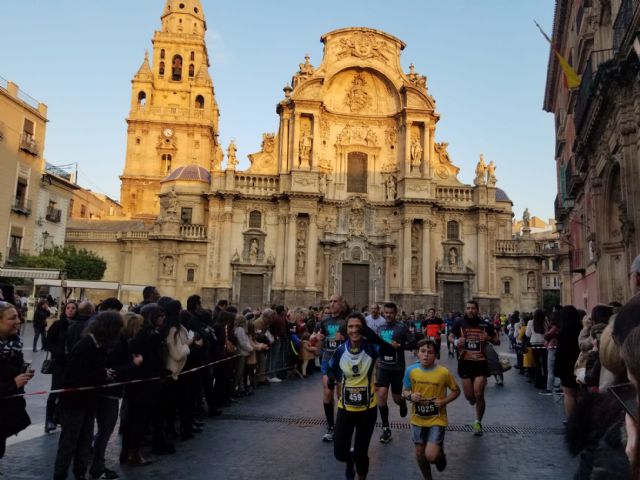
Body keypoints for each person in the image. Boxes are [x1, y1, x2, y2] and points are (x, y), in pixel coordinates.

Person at [53, 311, 124, 480]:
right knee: (69, 443)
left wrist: (101, 372)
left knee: (84, 442)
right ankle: (60, 475)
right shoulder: (86, 345)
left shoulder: (96, 346)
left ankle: (80, 473)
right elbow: (76, 376)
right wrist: (102, 374)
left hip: (87, 402)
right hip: (74, 404)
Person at [328, 312, 396, 480]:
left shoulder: (371, 348)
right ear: (346, 329)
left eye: (358, 326)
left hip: (368, 410)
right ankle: (349, 461)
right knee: (339, 453)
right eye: (350, 327)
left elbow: (390, 351)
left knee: (361, 453)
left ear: (364, 329)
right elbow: (330, 367)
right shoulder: (340, 350)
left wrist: (373, 337)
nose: (354, 330)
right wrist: (333, 379)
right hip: (345, 408)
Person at [403, 339, 460, 479]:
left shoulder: (443, 373)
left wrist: (444, 402)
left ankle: (439, 453)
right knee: (419, 454)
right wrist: (410, 396)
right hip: (417, 419)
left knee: (431, 456)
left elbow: (456, 391)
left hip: (437, 418)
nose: (426, 355)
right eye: (422, 351)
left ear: (436, 355)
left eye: (430, 352)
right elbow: (404, 391)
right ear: (417, 353)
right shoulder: (411, 371)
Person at [449, 300, 500, 436]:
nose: (470, 310)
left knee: (478, 393)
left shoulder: (485, 324)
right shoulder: (459, 323)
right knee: (469, 396)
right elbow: (450, 336)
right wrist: (455, 341)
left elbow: (497, 340)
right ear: (465, 310)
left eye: (473, 308)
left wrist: (488, 337)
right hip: (465, 363)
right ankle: (474, 401)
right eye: (468, 308)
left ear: (477, 310)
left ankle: (478, 422)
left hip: (480, 363)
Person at [376, 302, 416, 444]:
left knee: (396, 398)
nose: (388, 315)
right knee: (381, 395)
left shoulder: (402, 328)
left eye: (391, 313)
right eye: (386, 313)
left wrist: (400, 346)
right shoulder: (380, 328)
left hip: (397, 368)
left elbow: (413, 343)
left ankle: (403, 403)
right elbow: (375, 345)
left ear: (395, 313)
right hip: (382, 367)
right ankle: (386, 428)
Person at [312, 294, 348, 442]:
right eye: (330, 301)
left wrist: (345, 338)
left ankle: (341, 425)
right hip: (327, 360)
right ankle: (330, 426)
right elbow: (314, 335)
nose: (332, 304)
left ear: (341, 304)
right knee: (327, 393)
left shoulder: (347, 322)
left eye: (335, 302)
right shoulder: (324, 321)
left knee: (340, 396)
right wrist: (316, 337)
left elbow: (357, 338)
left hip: (343, 361)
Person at [0, 301, 33, 462]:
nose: (18, 321)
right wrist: (13, 384)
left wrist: (23, 377)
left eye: (18, 317)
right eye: (12, 318)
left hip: (5, 412)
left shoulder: (15, 344)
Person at [45, 301, 78, 433]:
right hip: (59, 363)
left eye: (73, 308)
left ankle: (61, 417)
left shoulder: (78, 325)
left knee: (68, 392)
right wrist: (59, 352)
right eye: (68, 308)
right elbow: (47, 343)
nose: (70, 310)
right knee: (55, 391)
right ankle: (49, 419)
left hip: (72, 364)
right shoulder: (58, 324)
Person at [554, 305, 582, 422]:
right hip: (580, 365)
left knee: (568, 394)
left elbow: (560, 353)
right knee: (579, 393)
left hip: (566, 366)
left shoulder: (563, 332)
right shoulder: (581, 329)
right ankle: (581, 418)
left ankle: (571, 420)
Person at [526, 309, 548, 389]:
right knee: (545, 364)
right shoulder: (545, 322)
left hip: (534, 344)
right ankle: (546, 382)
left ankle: (538, 382)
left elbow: (528, 334)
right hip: (544, 344)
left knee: (537, 363)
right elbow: (547, 333)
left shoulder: (530, 322)